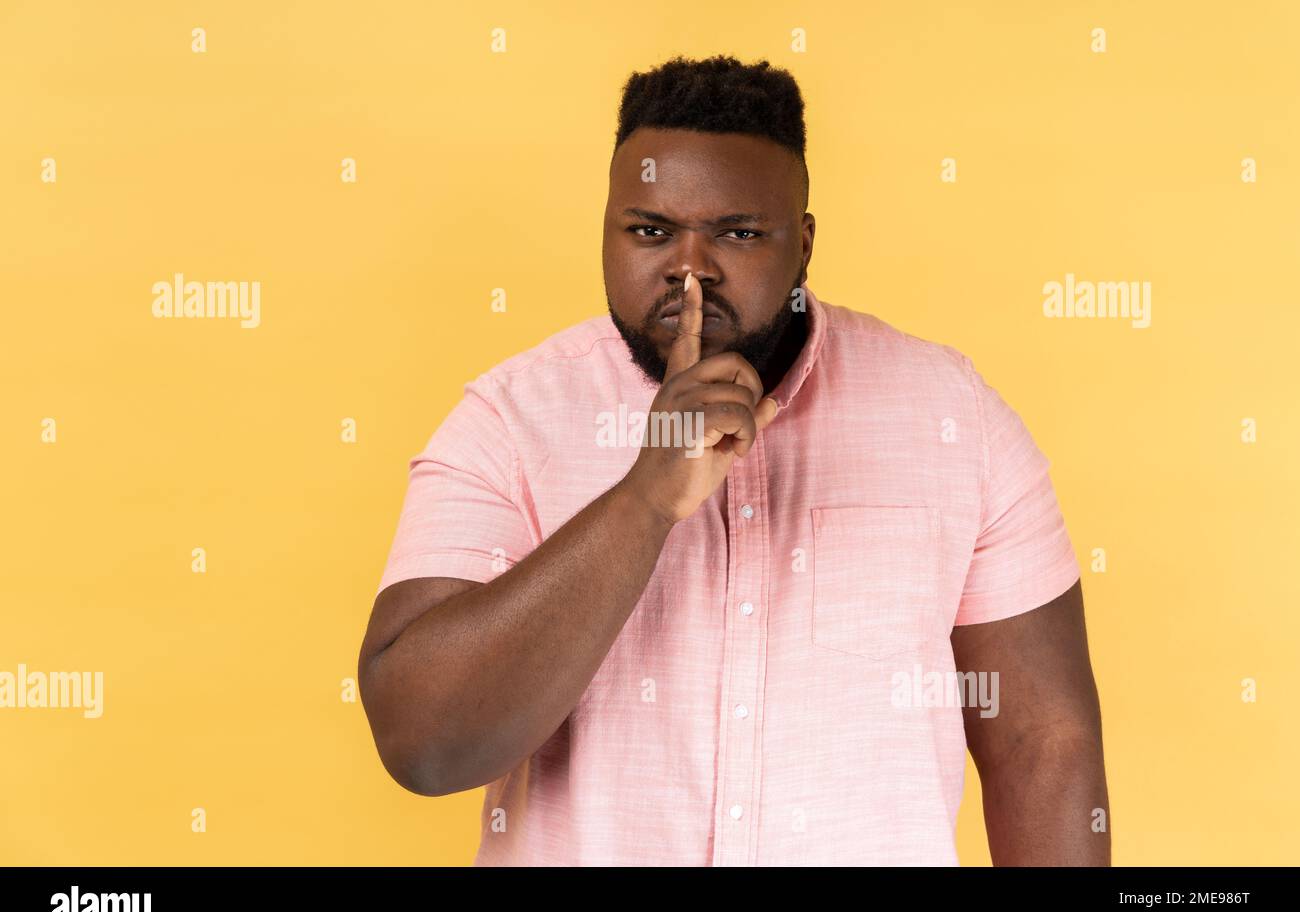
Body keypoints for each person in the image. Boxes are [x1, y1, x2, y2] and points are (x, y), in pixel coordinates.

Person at [359, 54, 1109, 866]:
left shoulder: (955, 419)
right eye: (650, 230)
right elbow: (424, 745)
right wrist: (644, 499)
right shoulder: (508, 423)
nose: (691, 270)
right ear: (607, 231)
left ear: (804, 245)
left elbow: (1043, 745)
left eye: (739, 234)